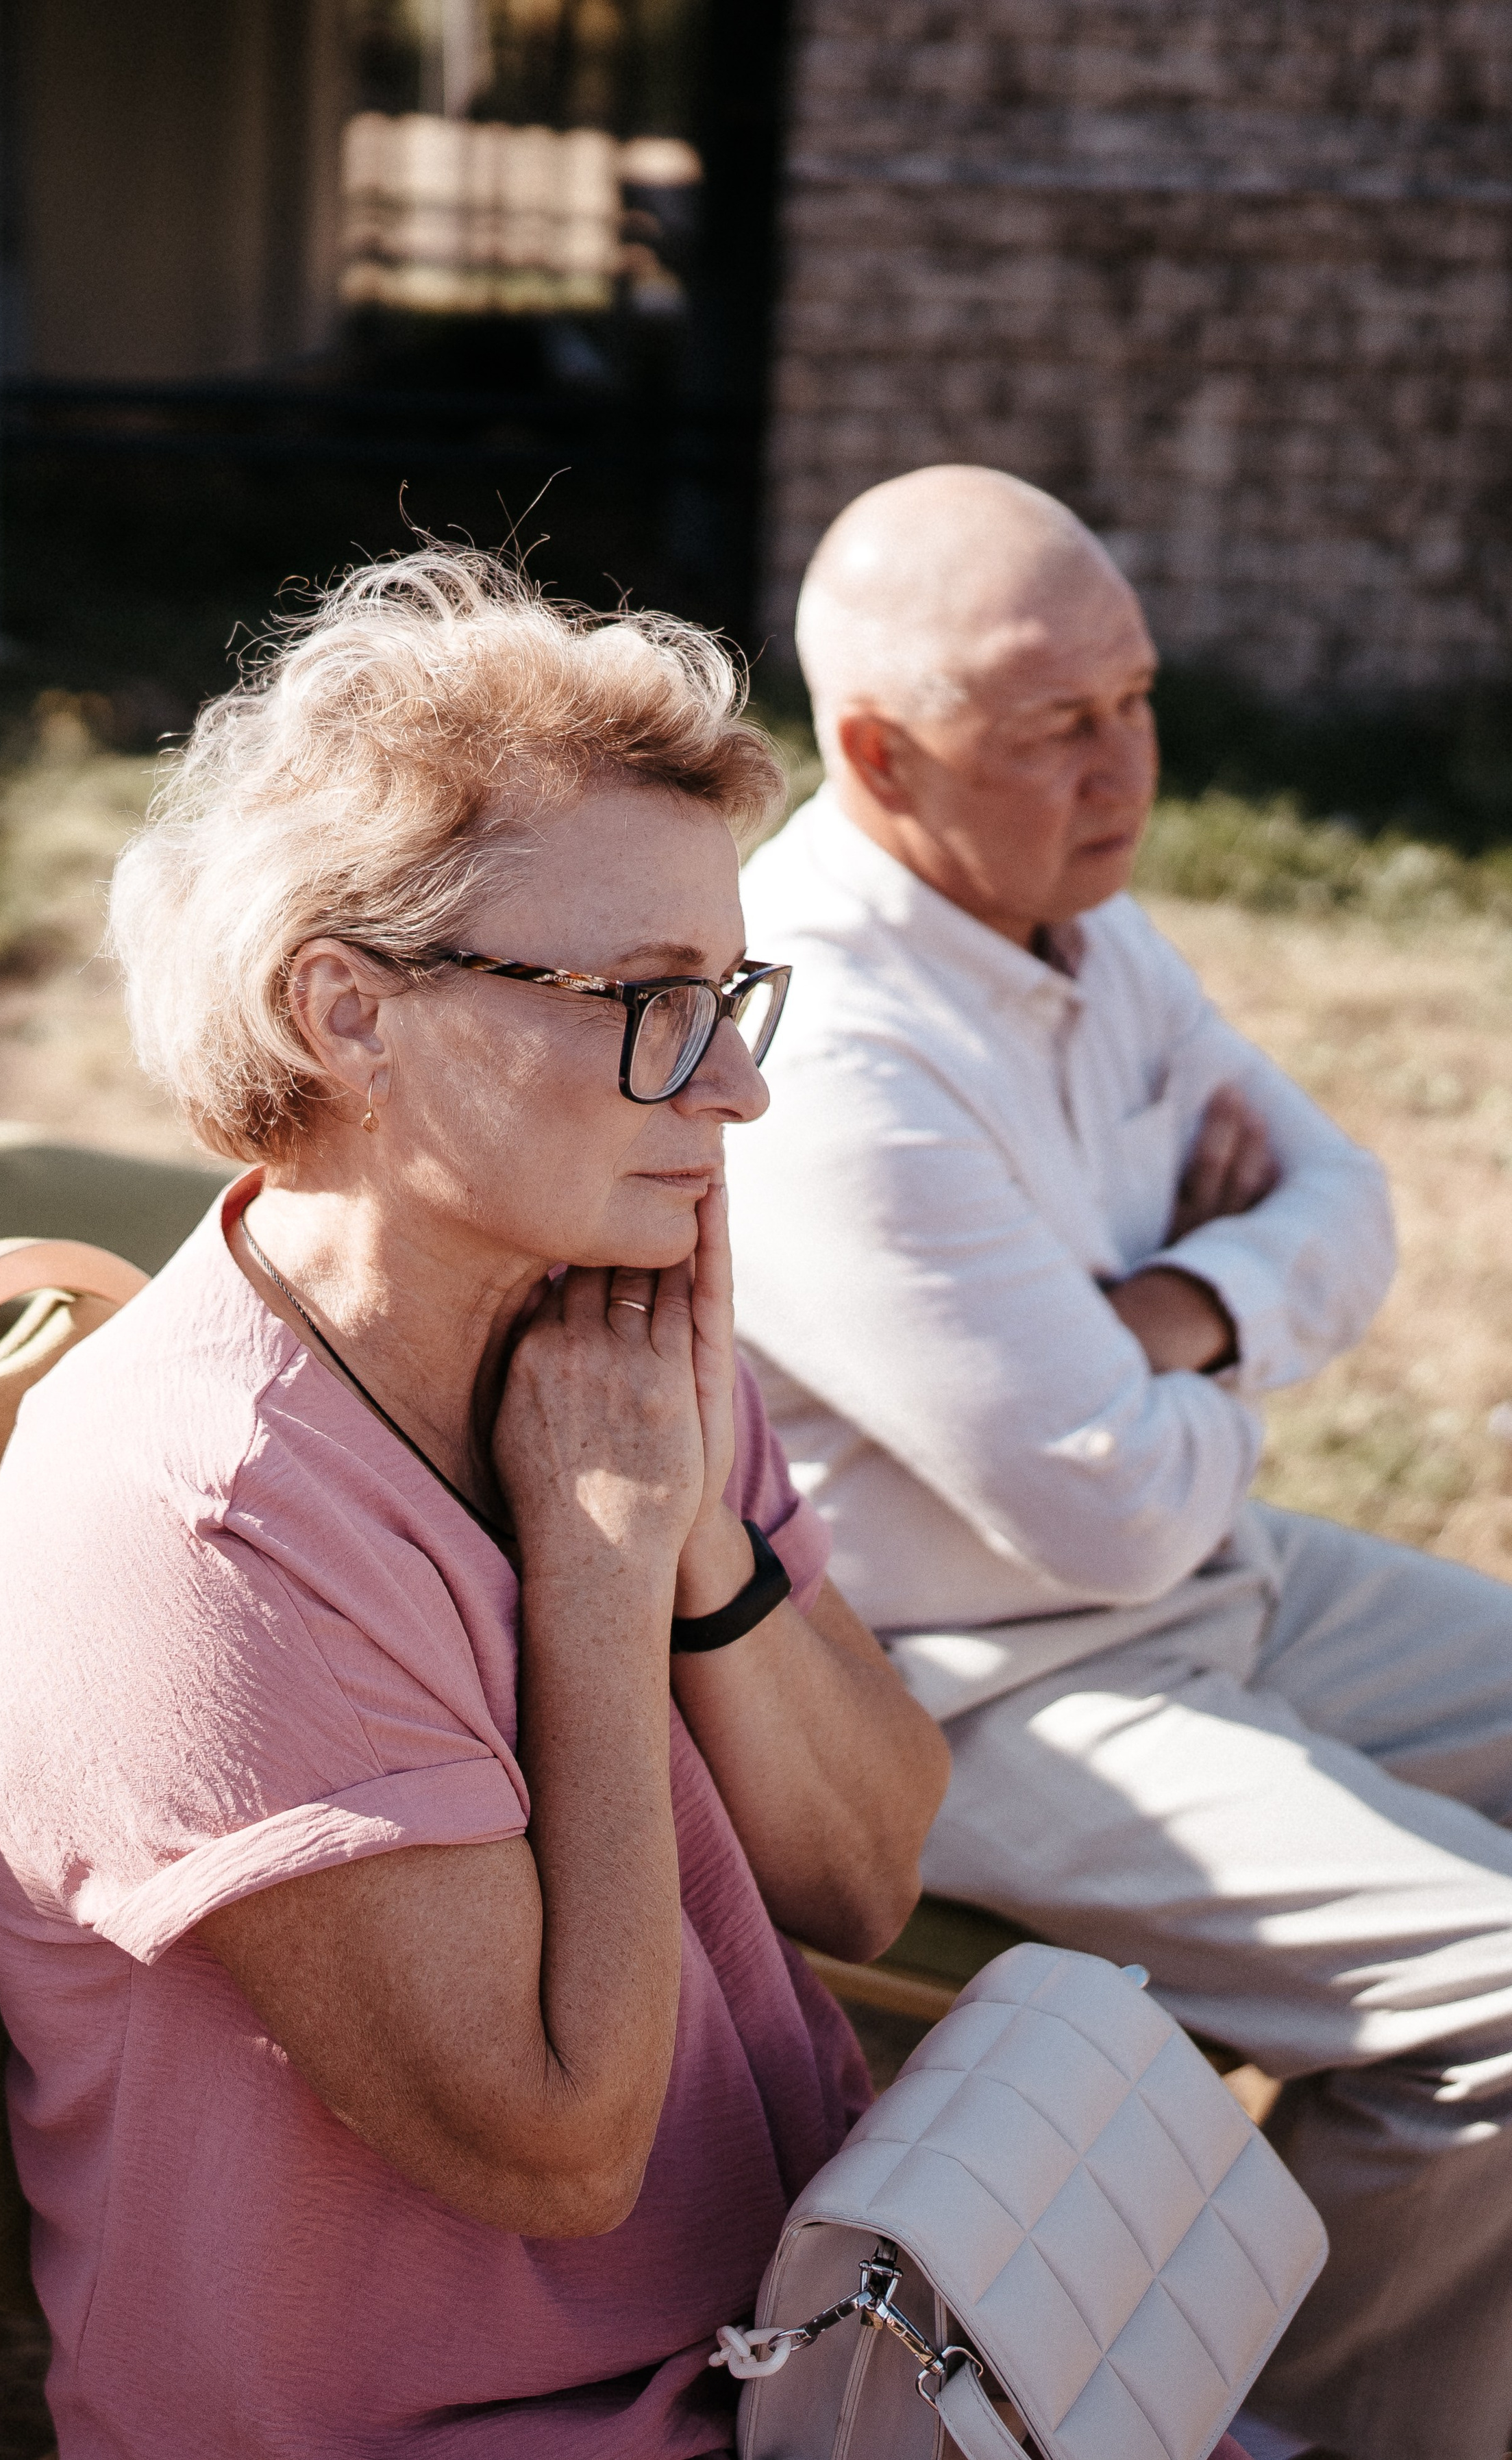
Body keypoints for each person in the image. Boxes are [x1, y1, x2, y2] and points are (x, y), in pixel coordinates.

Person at [0, 549, 947, 2460]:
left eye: (731, 993)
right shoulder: (199, 1524)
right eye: (648, 998)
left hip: (802, 2347)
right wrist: (594, 1573)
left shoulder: (610, 1341)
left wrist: (695, 1545)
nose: (732, 1085)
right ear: (349, 1012)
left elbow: (866, 1869)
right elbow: (559, 2147)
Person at [725, 465, 1512, 2460]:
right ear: (879, 751)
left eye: (1138, 696)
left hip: (1210, 1580)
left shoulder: (1081, 920)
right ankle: (1307, 2425)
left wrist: (1166, 1312)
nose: (1126, 764)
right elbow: (1105, 1494)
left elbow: (1356, 1203)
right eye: (1055, 724)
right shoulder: (834, 1049)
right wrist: (1213, 1317)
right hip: (986, 1697)